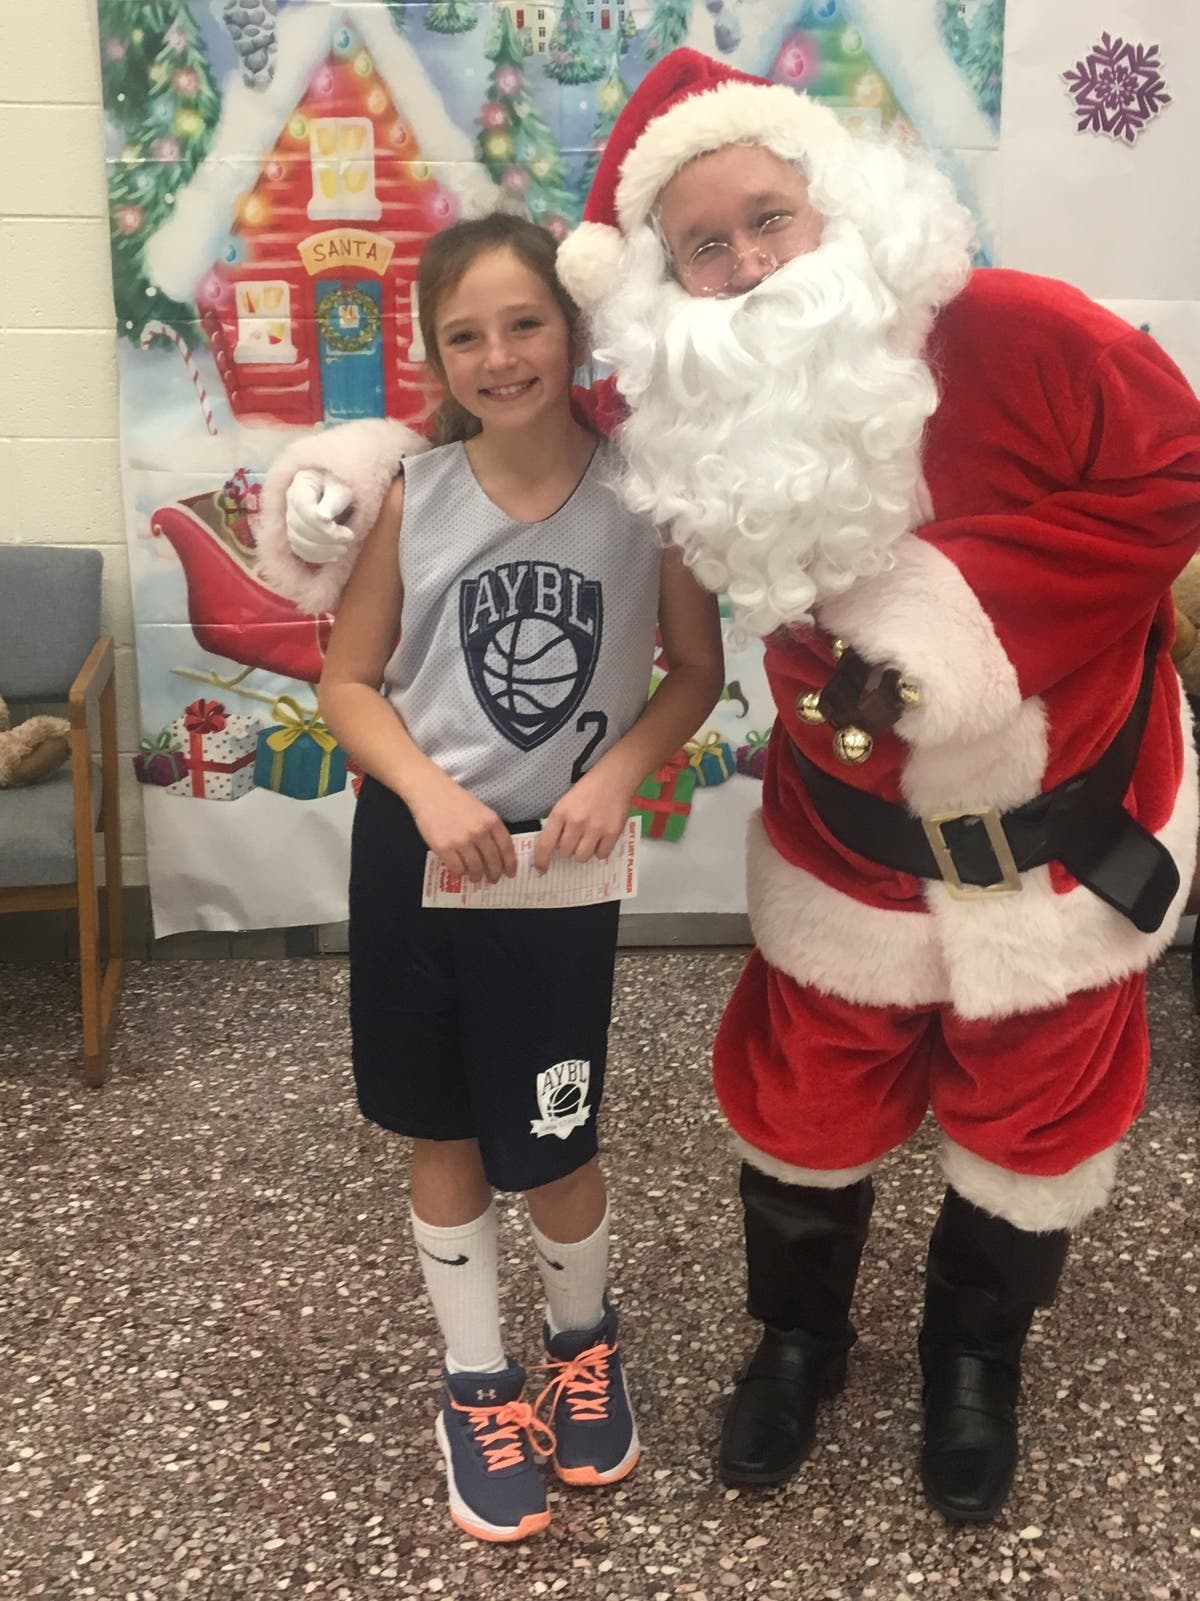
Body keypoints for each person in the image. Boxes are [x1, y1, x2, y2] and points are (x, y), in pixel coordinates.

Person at [261, 50, 1200, 1524]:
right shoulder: (690, 394)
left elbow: (1175, 471)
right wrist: (354, 471)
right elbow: (504, 426)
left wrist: (962, 617)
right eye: (706, 245)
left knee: (1037, 1115)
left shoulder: (1022, 333)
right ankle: (797, 1343)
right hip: (849, 852)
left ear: (838, 202)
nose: (751, 264)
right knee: (807, 1096)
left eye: (770, 219)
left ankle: (975, 1362)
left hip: (1059, 849)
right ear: (663, 283)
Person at [314, 211, 724, 1545]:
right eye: (466, 336)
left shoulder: (645, 496)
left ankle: (582, 1346)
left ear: (574, 328)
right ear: (436, 359)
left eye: (525, 323)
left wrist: (622, 772)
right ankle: (477, 1381)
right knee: (443, 1128)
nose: (499, 356)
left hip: (559, 865)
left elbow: (697, 670)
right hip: (424, 853)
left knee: (557, 1130)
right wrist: (429, 793)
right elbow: (347, 682)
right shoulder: (414, 496)